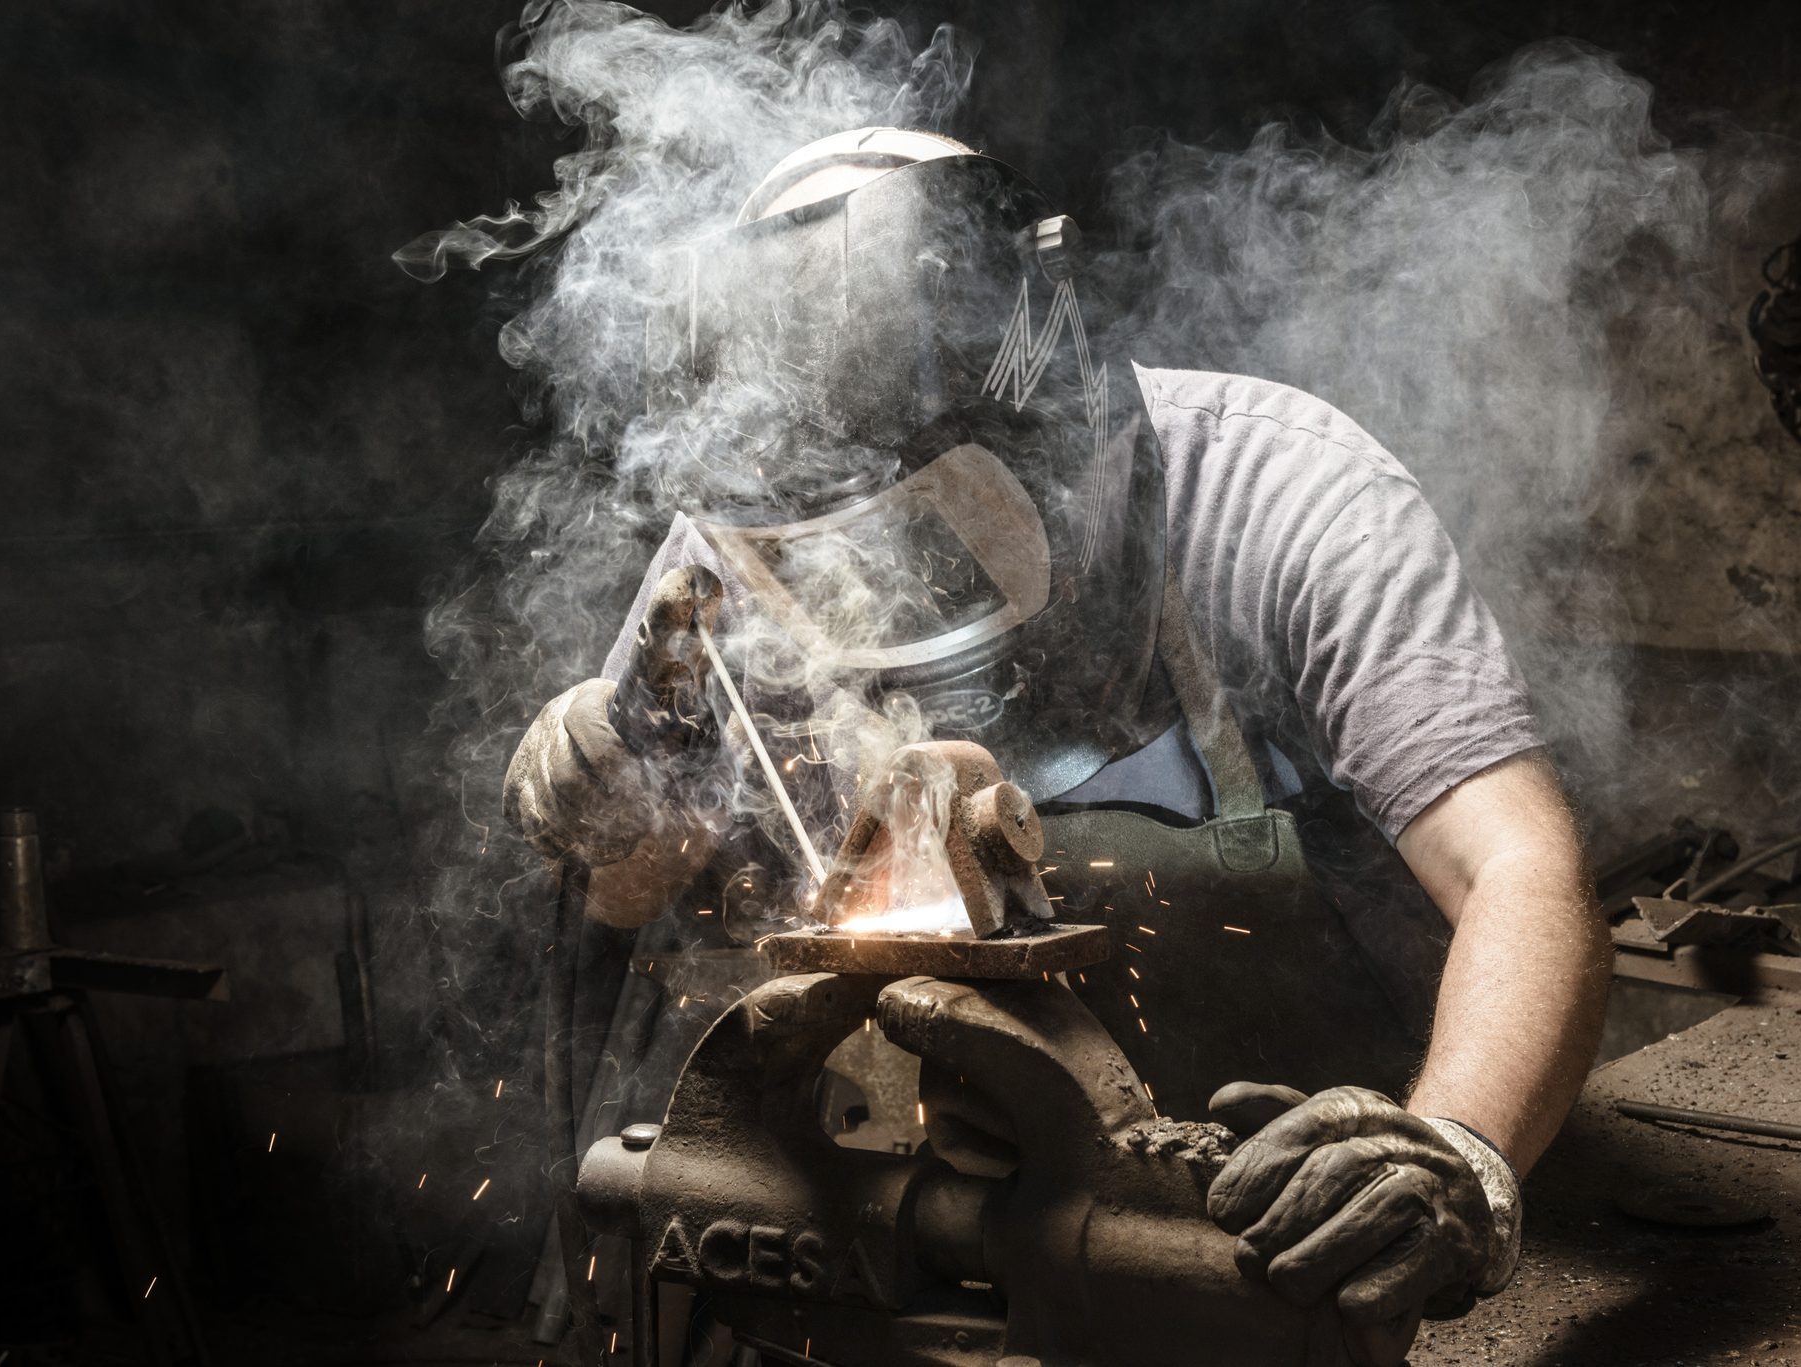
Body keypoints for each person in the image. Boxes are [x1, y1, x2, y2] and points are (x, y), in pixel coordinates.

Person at [505, 127, 1608, 1344]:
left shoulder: (1281, 493)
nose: (897, 610)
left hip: (1280, 1221)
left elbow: (1517, 865)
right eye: (836, 570)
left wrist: (1454, 1148)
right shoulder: (720, 567)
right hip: (914, 1209)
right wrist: (621, 804)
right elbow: (638, 889)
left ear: (1065, 425)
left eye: (935, 550)